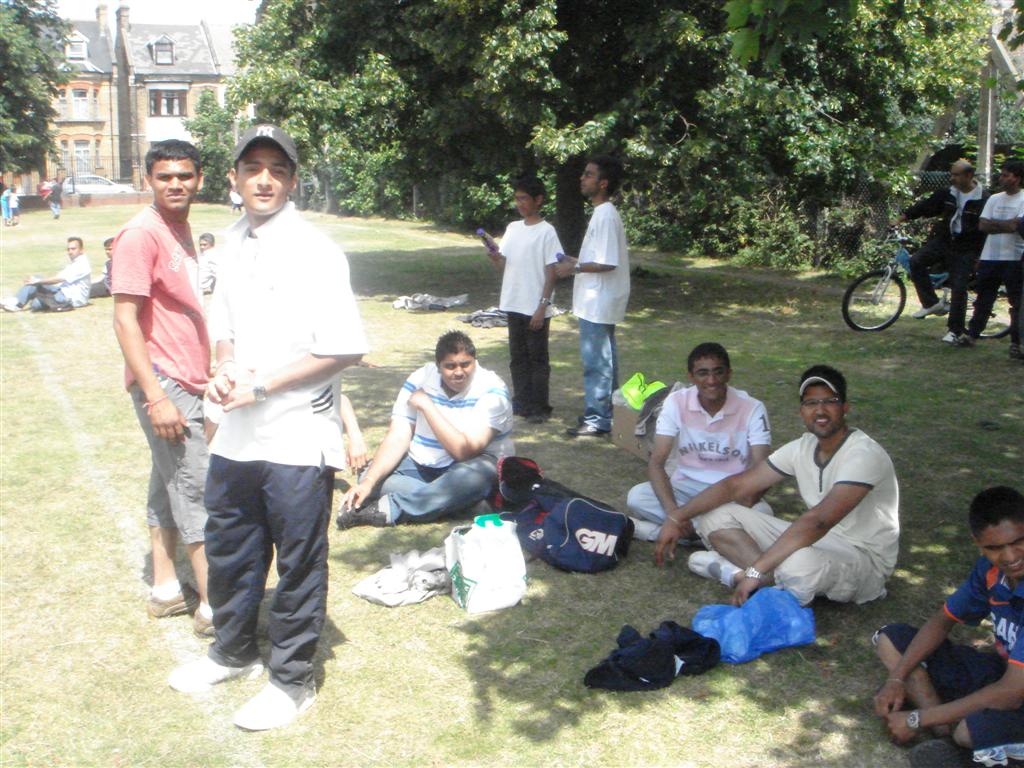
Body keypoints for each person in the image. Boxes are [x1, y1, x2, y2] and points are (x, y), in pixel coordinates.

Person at [167, 124, 367, 732]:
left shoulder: (316, 250)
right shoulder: (227, 244)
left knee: (299, 559)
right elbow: (223, 324)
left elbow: (343, 348)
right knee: (231, 546)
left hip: (297, 436)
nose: (264, 179)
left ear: (293, 181)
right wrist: (225, 367)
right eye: (253, 167)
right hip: (238, 432)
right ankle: (232, 651)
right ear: (232, 178)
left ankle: (292, 680)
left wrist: (259, 385)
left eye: (277, 170)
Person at [655, 365, 899, 608]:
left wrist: (754, 571)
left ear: (845, 407)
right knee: (714, 516)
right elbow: (735, 486)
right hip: (818, 541)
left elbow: (818, 521)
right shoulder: (802, 447)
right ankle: (764, 578)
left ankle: (745, 575)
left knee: (798, 563)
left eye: (830, 401)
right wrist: (677, 517)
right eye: (811, 403)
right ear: (801, 411)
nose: (820, 411)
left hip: (863, 558)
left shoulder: (863, 454)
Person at [109, 140, 213, 638]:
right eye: (165, 176)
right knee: (198, 488)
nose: (176, 184)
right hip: (166, 381)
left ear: (199, 179)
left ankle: (167, 588)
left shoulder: (180, 228)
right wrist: (155, 394)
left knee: (167, 482)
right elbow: (125, 318)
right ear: (148, 178)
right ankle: (217, 608)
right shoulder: (140, 235)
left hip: (189, 377)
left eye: (185, 175)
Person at [872, 486, 1024, 768]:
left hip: (1014, 688)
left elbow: (1012, 692)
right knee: (892, 640)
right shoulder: (989, 571)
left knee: (972, 730)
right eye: (994, 548)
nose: (1010, 556)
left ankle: (961, 738)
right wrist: (897, 679)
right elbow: (942, 621)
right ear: (978, 543)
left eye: (1018, 541)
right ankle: (946, 738)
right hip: (1007, 672)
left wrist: (917, 718)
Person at [337, 330, 513, 528]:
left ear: (475, 361)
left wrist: (427, 406)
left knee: (475, 477)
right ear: (438, 367)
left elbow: (464, 451)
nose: (459, 372)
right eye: (450, 366)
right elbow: (398, 436)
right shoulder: (420, 378)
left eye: (465, 364)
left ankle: (393, 508)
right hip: (423, 462)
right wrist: (368, 482)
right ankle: (464, 503)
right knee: (369, 473)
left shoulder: (492, 389)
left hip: (473, 465)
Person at [626, 342, 773, 544]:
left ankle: (662, 533)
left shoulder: (753, 408)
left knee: (763, 513)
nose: (711, 380)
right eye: (703, 373)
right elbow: (656, 462)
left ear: (729, 374)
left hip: (732, 492)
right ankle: (711, 535)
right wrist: (673, 514)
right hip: (686, 488)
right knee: (637, 497)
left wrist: (743, 501)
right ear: (691, 377)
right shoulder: (676, 402)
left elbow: (762, 469)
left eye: (718, 372)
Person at [554, 155, 631, 438]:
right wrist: (575, 259)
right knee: (603, 361)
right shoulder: (602, 213)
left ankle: (598, 419)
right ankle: (604, 413)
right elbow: (598, 258)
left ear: (603, 183)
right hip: (596, 301)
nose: (582, 178)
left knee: (596, 362)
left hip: (598, 302)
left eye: (588, 175)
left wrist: (572, 266)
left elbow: (608, 262)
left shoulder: (606, 215)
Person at [487, 175, 563, 423]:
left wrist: (543, 306)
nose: (519, 203)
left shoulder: (547, 231)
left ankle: (540, 406)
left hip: (535, 305)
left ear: (538, 200)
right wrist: (494, 255)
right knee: (517, 357)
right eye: (517, 198)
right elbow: (504, 265)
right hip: (513, 303)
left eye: (524, 199)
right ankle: (521, 402)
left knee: (537, 359)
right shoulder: (512, 228)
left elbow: (552, 271)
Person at [894, 160, 989, 343]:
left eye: (956, 175)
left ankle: (955, 330)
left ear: (968, 176)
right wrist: (903, 217)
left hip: (966, 247)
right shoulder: (947, 194)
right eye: (951, 174)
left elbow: (984, 232)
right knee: (916, 261)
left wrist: (980, 256)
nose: (952, 178)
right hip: (944, 240)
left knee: (959, 287)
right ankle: (931, 303)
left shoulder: (983, 199)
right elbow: (926, 206)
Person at [962, 160, 1023, 359]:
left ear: (1017, 178)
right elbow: (983, 225)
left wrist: (996, 225)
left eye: (1006, 175)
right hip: (990, 256)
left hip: (1014, 257)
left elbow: (1016, 227)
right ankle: (972, 334)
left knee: (1016, 302)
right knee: (984, 297)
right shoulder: (994, 199)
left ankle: (1016, 342)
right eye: (1002, 174)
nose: (1002, 178)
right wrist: (1004, 225)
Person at [1, 236, 91, 312]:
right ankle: (16, 302)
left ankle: (16, 303)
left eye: (73, 249)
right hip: (65, 295)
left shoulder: (81, 265)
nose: (70, 252)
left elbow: (58, 279)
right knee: (35, 304)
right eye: (68, 249)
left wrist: (37, 281)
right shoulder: (77, 262)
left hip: (69, 299)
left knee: (37, 280)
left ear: (81, 250)